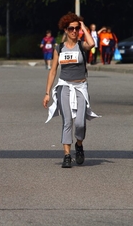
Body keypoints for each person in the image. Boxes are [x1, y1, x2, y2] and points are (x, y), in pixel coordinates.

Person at [43, 12, 100, 168]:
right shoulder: (59, 48)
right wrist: (47, 93)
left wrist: (83, 26)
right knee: (67, 121)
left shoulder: (82, 45)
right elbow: (53, 71)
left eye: (76, 28)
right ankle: (67, 155)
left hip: (81, 87)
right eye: (71, 28)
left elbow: (92, 44)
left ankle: (79, 145)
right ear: (65, 30)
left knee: (80, 123)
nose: (74, 31)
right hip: (64, 86)